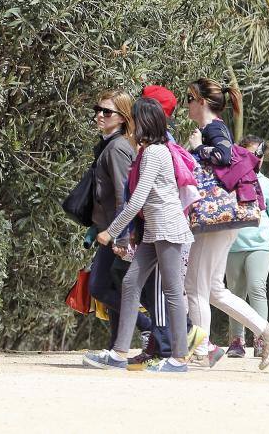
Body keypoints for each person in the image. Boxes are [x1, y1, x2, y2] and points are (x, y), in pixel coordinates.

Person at [83, 97, 197, 372]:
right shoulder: (149, 151)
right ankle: (119, 353)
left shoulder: (156, 153)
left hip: (168, 229)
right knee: (130, 283)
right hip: (154, 231)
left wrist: (111, 232)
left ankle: (179, 358)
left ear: (141, 121)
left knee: (171, 292)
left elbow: (136, 201)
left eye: (132, 118)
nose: (130, 123)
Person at [185, 78, 269, 370]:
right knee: (214, 289)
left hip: (216, 218)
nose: (187, 105)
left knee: (194, 286)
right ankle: (267, 332)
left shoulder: (213, 129)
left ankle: (202, 350)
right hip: (224, 220)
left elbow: (224, 155)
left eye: (190, 99)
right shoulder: (215, 128)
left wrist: (197, 149)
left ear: (202, 101)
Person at [87, 90, 151, 353]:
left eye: (107, 112)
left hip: (116, 231)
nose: (99, 115)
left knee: (100, 287)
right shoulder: (113, 144)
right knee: (116, 286)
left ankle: (149, 325)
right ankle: (117, 346)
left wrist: (120, 234)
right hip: (111, 229)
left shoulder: (116, 148)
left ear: (123, 117)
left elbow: (125, 194)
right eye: (97, 110)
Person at [225, 136, 269, 359]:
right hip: (232, 247)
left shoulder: (268, 185)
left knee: (256, 289)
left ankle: (262, 338)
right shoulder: (229, 179)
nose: (256, 159)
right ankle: (236, 340)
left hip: (259, 247)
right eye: (251, 153)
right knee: (234, 294)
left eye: (260, 155)